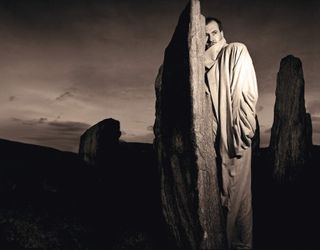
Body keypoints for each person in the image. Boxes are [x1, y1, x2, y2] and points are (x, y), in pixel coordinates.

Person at [204, 17, 258, 249]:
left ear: (221, 33)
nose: (210, 39)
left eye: (213, 33)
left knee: (241, 202)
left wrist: (242, 134)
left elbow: (247, 93)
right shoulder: (205, 70)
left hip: (237, 142)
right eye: (205, 36)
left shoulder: (236, 50)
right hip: (218, 147)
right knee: (224, 200)